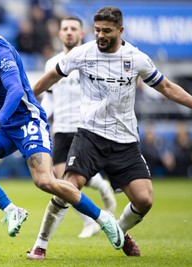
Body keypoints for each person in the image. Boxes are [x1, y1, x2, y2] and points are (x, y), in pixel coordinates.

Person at [29, 6, 192, 258]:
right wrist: (27, 101)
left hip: (125, 141)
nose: (100, 35)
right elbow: (51, 77)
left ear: (120, 30)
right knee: (67, 187)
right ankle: (40, 245)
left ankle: (118, 231)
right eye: (97, 30)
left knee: (145, 200)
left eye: (107, 31)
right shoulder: (83, 53)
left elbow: (165, 86)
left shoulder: (136, 58)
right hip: (89, 136)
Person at [0, 13, 124, 250]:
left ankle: (103, 218)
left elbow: (14, 92)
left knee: (44, 181)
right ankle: (12, 210)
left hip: (27, 122)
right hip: (5, 126)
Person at [27, 16, 117, 260]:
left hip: (85, 128)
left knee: (68, 181)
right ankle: (93, 205)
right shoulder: (52, 63)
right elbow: (51, 96)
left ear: (82, 33)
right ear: (59, 34)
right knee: (61, 180)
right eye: (64, 29)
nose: (68, 33)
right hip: (62, 129)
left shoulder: (91, 60)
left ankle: (96, 196)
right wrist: (44, 117)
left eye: (73, 29)